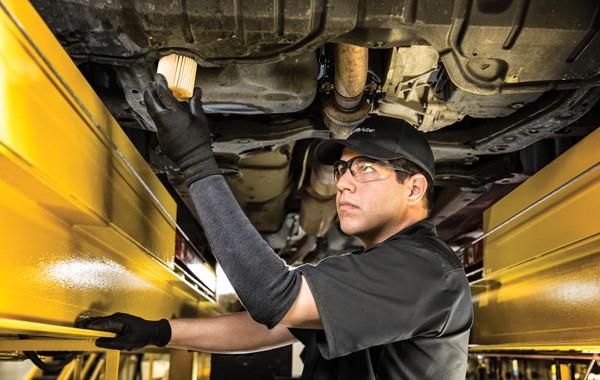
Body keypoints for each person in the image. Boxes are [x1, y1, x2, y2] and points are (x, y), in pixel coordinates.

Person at [77, 74, 473, 379]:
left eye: (365, 168)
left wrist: (197, 162)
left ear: (414, 187)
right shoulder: (388, 270)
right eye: (342, 169)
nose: (344, 182)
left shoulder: (425, 272)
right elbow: (272, 325)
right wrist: (159, 333)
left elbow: (273, 299)